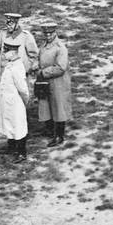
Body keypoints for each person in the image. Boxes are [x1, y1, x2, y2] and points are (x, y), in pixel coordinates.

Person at [36, 19, 72, 147]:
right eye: (46, 34)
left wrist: (43, 72)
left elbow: (61, 68)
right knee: (46, 105)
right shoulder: (44, 45)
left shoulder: (60, 48)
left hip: (58, 82)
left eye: (50, 33)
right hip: (46, 82)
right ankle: (49, 129)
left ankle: (59, 136)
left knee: (58, 107)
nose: (48, 36)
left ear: (55, 32)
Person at [0, 40, 31, 162]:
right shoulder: (10, 64)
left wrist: (24, 101)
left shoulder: (17, 67)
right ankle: (11, 147)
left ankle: (21, 152)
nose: (4, 53)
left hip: (15, 103)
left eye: (6, 51)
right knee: (9, 125)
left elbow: (23, 89)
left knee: (18, 127)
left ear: (13, 52)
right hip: (8, 103)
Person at [0, 13, 39, 80]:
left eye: (11, 24)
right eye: (7, 24)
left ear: (17, 24)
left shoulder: (25, 35)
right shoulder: (3, 33)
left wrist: (26, 68)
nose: (9, 27)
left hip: (20, 72)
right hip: (4, 70)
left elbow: (33, 54)